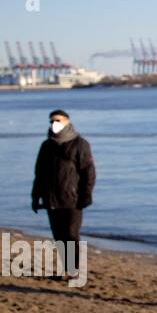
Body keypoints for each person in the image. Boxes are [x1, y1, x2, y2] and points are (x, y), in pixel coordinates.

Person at [31, 109, 95, 278]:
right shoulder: (46, 146)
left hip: (73, 199)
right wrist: (35, 197)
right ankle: (66, 269)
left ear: (67, 121)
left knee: (71, 234)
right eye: (51, 121)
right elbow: (39, 173)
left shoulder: (80, 144)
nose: (54, 124)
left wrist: (86, 196)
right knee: (59, 236)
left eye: (58, 120)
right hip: (51, 198)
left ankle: (74, 270)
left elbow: (88, 172)